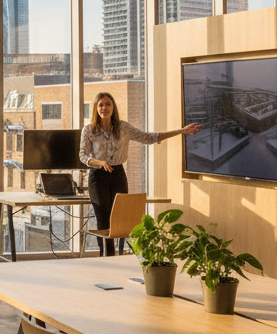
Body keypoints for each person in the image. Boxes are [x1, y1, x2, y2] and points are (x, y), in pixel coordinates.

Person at [80, 92, 201, 256]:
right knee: (103, 220)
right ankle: (107, 257)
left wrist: (181, 131)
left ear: (113, 106)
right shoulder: (89, 130)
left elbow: (148, 137)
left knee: (120, 218)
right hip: (97, 176)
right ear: (95, 108)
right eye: (100, 104)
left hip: (118, 174)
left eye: (108, 104)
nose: (104, 108)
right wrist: (99, 162)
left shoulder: (123, 127)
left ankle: (119, 256)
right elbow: (83, 155)